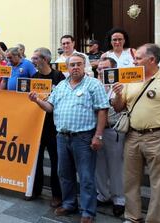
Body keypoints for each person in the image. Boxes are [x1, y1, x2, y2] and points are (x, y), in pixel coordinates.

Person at [111, 43, 160, 222]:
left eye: (138, 58)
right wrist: (117, 95)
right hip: (132, 136)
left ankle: (154, 220)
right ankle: (132, 218)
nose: (134, 61)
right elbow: (119, 107)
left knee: (158, 184)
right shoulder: (130, 78)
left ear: (152, 59)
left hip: (159, 137)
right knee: (130, 181)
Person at [29, 53, 109, 223]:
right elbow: (50, 107)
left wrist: (98, 135)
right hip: (62, 137)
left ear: (84, 65)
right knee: (64, 174)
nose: (75, 67)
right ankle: (69, 203)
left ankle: (88, 212)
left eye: (79, 64)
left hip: (84, 138)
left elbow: (103, 110)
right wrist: (37, 100)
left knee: (86, 176)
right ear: (67, 67)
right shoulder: (61, 86)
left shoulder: (93, 85)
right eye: (72, 65)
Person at [29, 47, 65, 207]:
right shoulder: (34, 77)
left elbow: (63, 99)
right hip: (37, 125)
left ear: (44, 59)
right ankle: (35, 190)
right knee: (35, 160)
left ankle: (57, 195)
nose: (33, 61)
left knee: (56, 161)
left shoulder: (58, 76)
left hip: (54, 126)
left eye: (35, 58)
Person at [94, 57, 125, 217]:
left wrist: (118, 94)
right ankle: (102, 195)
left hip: (114, 130)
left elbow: (122, 107)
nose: (101, 71)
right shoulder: (93, 84)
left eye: (105, 68)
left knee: (116, 167)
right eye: (99, 68)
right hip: (95, 131)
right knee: (99, 166)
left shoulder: (120, 85)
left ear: (113, 69)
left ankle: (119, 199)